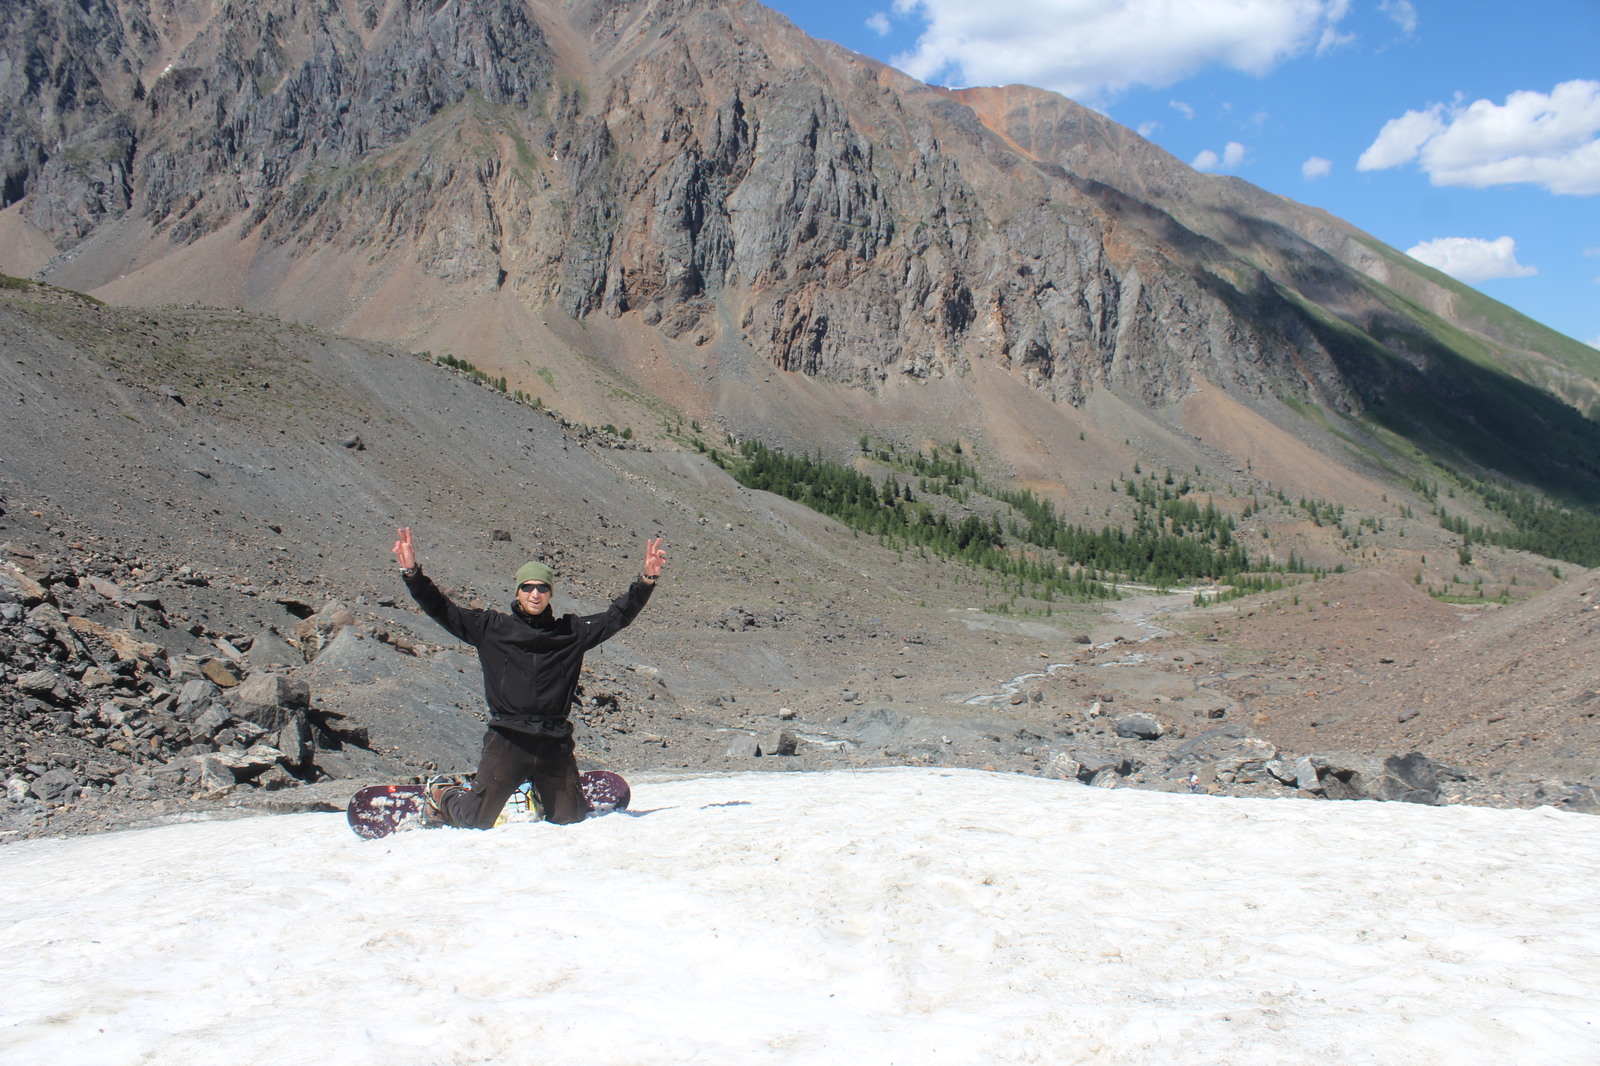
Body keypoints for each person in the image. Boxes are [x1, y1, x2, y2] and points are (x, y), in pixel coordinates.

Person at [391, 526, 665, 828]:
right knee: (475, 820)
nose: (535, 594)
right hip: (509, 739)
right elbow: (442, 609)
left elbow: (618, 616)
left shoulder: (570, 632)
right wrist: (412, 573)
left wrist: (647, 580)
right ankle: (442, 795)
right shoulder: (491, 628)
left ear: (550, 593)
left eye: (542, 588)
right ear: (518, 591)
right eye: (528, 587)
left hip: (554, 741)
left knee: (571, 818)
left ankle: (538, 789)